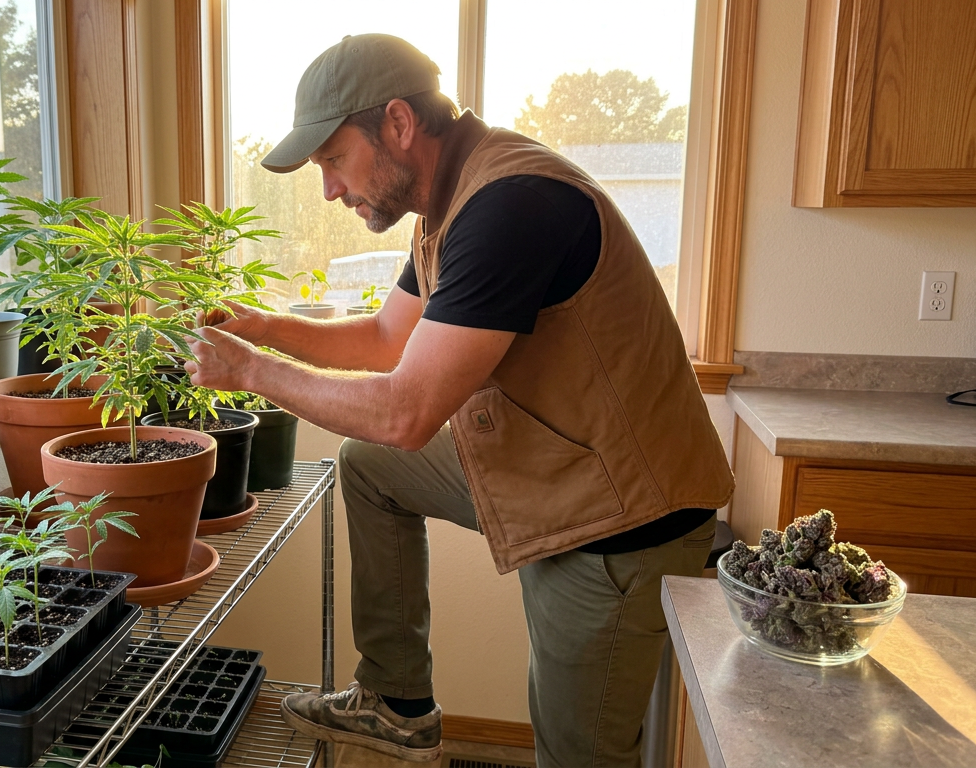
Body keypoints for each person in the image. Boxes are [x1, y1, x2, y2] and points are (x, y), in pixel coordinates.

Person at [184, 33, 733, 768]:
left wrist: (251, 371)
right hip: (558, 466)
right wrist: (268, 328)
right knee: (371, 467)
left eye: (334, 161)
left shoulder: (512, 206)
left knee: (576, 753)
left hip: (622, 521)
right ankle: (398, 703)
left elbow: (404, 412)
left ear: (399, 125)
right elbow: (386, 337)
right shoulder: (451, 204)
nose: (329, 190)